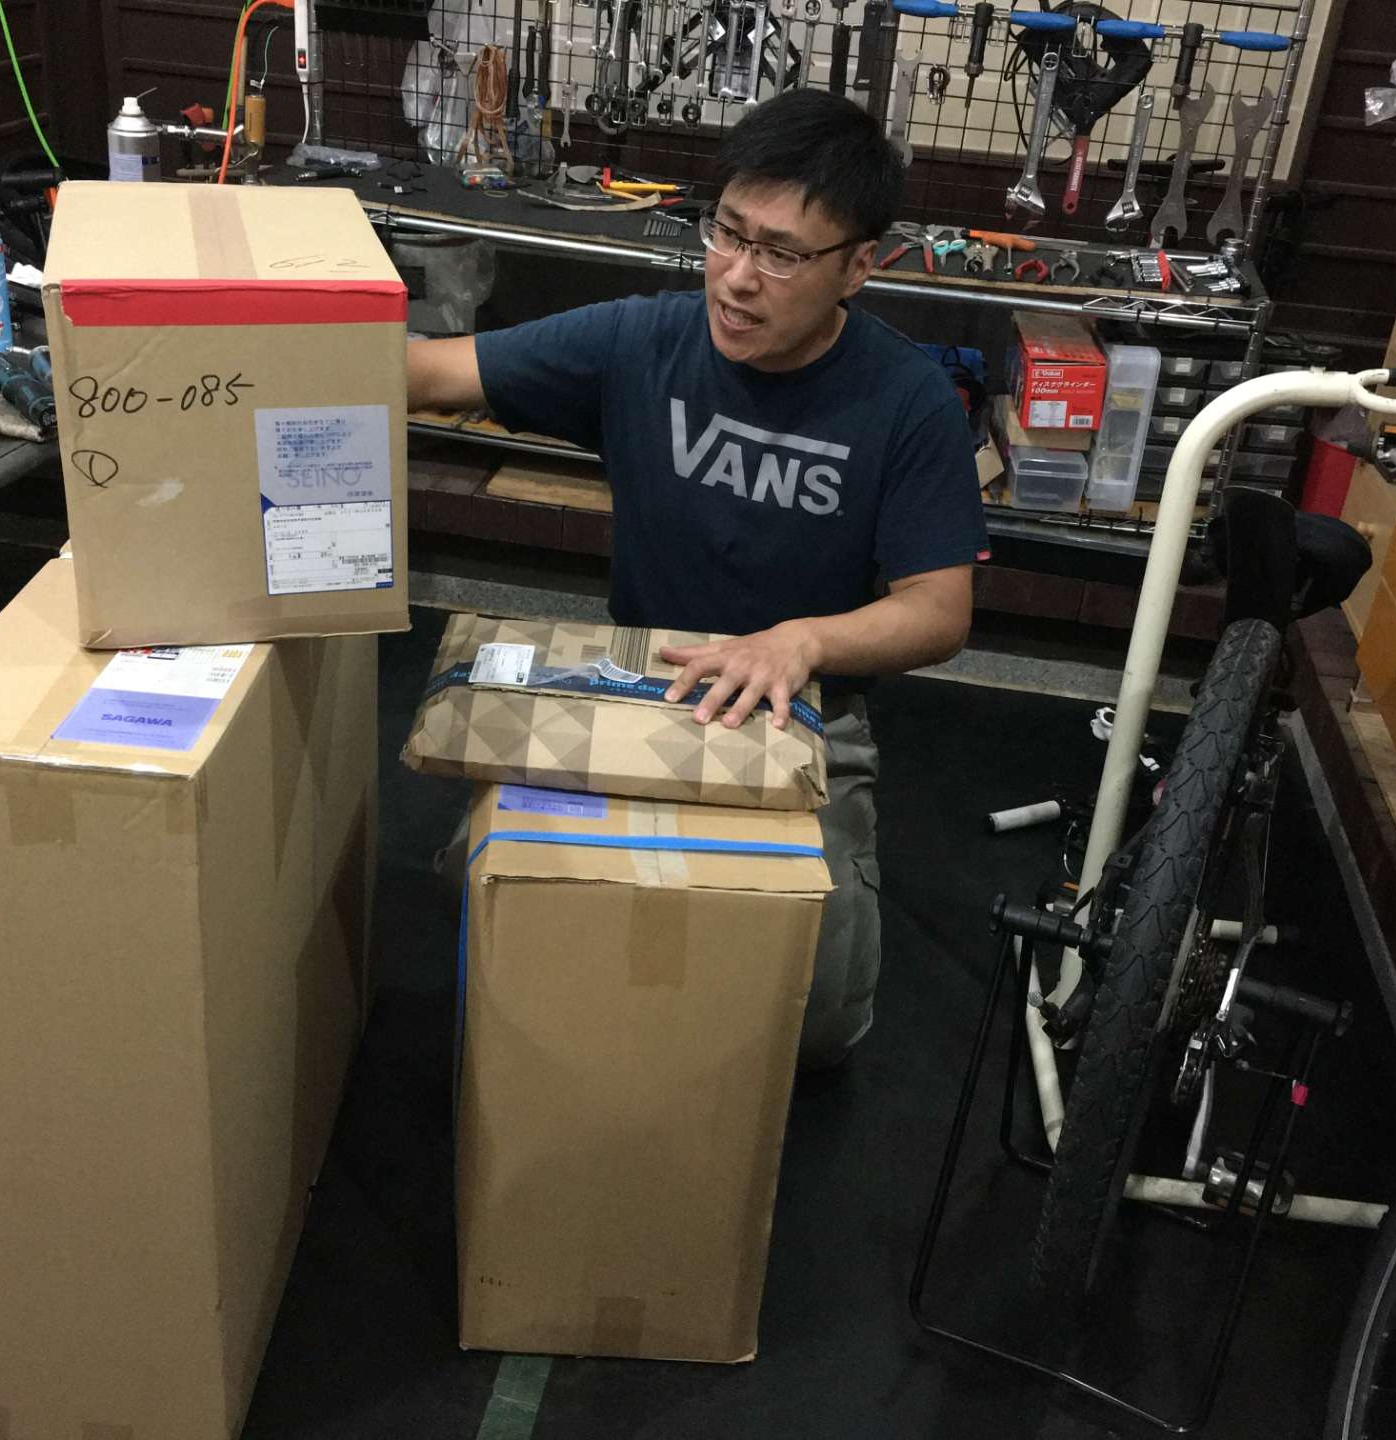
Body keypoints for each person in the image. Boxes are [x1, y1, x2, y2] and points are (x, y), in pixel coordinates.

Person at [408, 89, 991, 1069]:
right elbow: (428, 373)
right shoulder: (641, 341)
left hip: (803, 708)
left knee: (815, 1022)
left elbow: (940, 611)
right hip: (636, 682)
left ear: (858, 265)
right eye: (728, 233)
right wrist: (235, 357)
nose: (738, 278)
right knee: (493, 916)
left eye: (782, 255)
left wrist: (802, 640)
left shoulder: (910, 402)